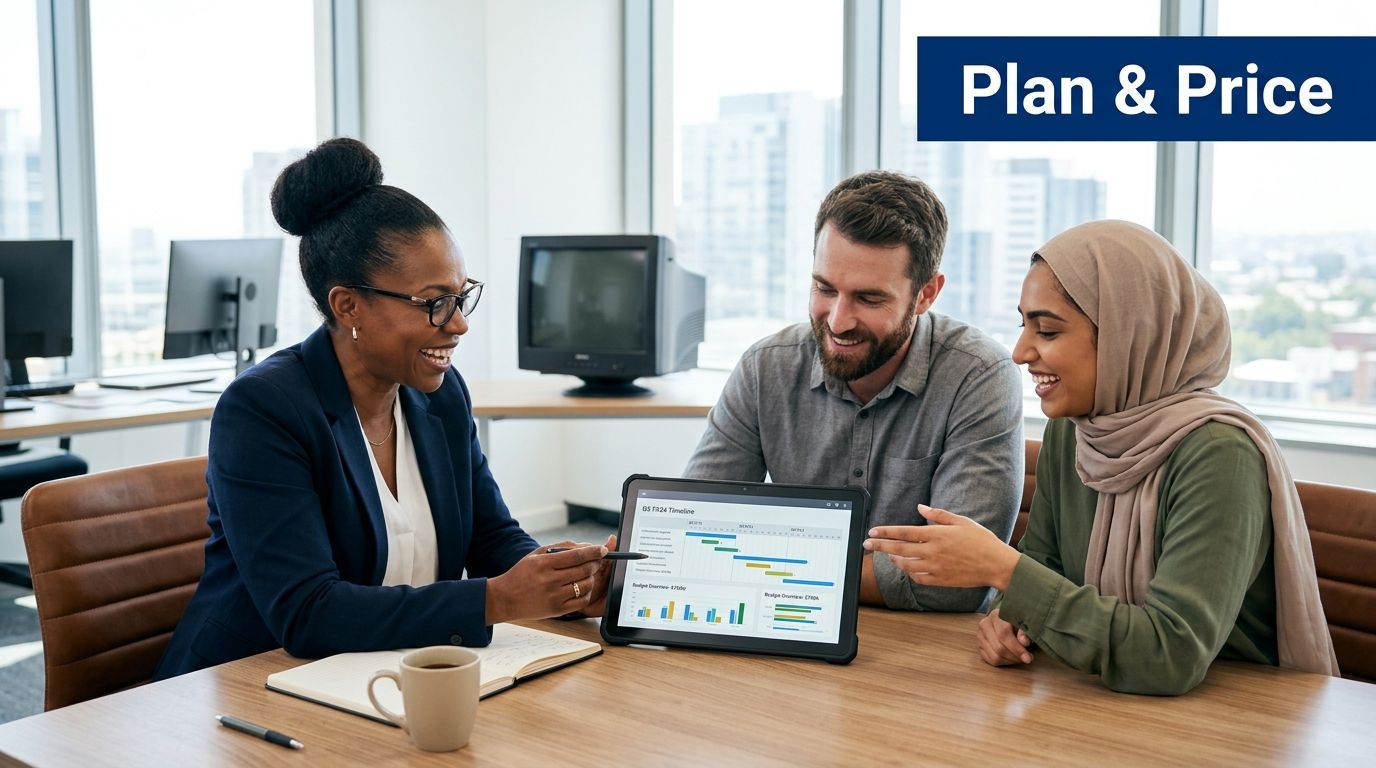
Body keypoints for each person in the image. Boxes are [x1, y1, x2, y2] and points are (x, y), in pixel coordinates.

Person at [155, 138, 613, 678]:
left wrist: (565, 578)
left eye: (462, 297)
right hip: (250, 684)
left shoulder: (439, 395)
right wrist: (498, 600)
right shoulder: (263, 409)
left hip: (386, 673)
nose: (459, 323)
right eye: (434, 303)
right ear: (348, 305)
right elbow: (307, 613)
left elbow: (489, 537)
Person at [863, 219, 1339, 694]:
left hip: (1236, 715)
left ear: (1125, 336)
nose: (1020, 352)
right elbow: (1043, 574)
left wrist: (1002, 570)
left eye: (1047, 331)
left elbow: (1169, 655)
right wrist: (1007, 622)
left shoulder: (1221, 455)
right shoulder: (1071, 434)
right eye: (1023, 325)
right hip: (1099, 706)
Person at [684, 170, 1024, 612]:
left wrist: (759, 564)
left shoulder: (979, 375)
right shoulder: (765, 366)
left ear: (926, 294)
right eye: (825, 288)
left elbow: (955, 585)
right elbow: (693, 533)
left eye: (868, 299)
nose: (838, 321)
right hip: (785, 622)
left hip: (924, 654)